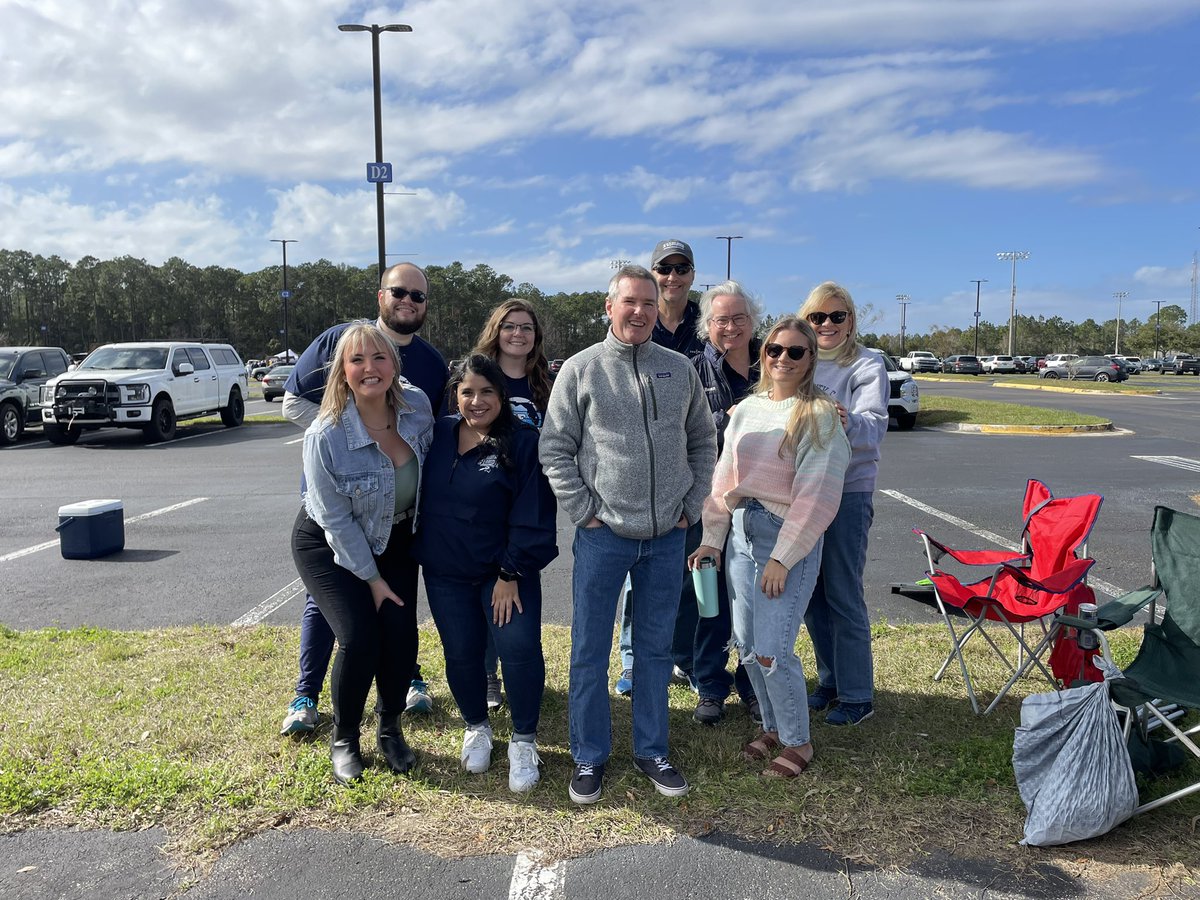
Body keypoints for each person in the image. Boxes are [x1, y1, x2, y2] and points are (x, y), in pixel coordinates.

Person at [540, 264, 716, 804]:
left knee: (656, 651)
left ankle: (651, 749)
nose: (638, 311)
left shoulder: (678, 369)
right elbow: (555, 448)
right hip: (604, 535)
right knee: (590, 650)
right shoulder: (581, 369)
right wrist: (584, 510)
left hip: (667, 536)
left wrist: (690, 506)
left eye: (647, 301)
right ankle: (589, 756)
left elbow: (703, 442)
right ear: (609, 307)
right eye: (628, 301)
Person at [279, 262, 448, 735]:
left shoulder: (430, 366)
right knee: (335, 609)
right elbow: (293, 403)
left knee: (397, 618)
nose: (408, 301)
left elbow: (431, 434)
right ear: (381, 296)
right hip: (339, 508)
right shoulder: (341, 341)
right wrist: (351, 424)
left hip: (395, 516)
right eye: (399, 292)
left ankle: (403, 690)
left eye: (417, 296)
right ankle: (307, 693)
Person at [690, 316, 849, 778]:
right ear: (764, 355)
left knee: (772, 648)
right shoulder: (746, 410)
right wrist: (712, 541)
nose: (783, 358)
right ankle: (775, 726)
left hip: (784, 539)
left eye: (796, 351)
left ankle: (799, 741)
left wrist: (784, 555)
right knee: (744, 643)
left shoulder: (819, 413)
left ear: (810, 359)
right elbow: (724, 481)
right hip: (740, 532)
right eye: (775, 350)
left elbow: (819, 493)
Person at [290, 323, 434, 783]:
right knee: (358, 637)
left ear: (395, 365)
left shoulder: (418, 411)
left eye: (379, 358)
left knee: (400, 636)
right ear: (343, 372)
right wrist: (371, 579)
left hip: (394, 536)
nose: (369, 368)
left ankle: (390, 729)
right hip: (329, 543)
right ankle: (345, 738)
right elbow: (334, 519)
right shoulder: (325, 434)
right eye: (357, 361)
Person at [413, 355, 558, 792]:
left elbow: (533, 512)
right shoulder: (437, 434)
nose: (477, 401)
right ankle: (476, 726)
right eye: (467, 392)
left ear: (502, 395)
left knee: (517, 649)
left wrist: (510, 572)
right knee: (460, 653)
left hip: (504, 576)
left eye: (487, 392)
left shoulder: (522, 442)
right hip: (445, 573)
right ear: (455, 395)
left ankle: (524, 739)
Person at [614, 238, 704, 697]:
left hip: (694, 475)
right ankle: (632, 660)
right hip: (637, 487)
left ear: (691, 274)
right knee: (636, 584)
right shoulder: (637, 328)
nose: (672, 276)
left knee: (688, 580)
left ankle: (683, 659)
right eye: (663, 269)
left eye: (681, 268)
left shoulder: (706, 326)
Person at [798, 282, 889, 726]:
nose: (828, 325)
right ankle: (830, 681)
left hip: (848, 491)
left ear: (851, 320)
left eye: (837, 316)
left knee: (843, 592)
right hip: (804, 493)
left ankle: (857, 695)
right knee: (812, 594)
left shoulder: (868, 364)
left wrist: (846, 419)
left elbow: (873, 426)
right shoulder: (801, 361)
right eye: (818, 318)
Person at [467, 299, 554, 710]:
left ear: (536, 337)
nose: (518, 334)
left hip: (530, 504)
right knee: (482, 593)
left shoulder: (545, 385)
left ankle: (519, 664)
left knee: (518, 588)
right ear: (496, 331)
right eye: (509, 326)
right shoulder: (481, 377)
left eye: (527, 328)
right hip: (486, 502)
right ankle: (487, 675)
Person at [683, 281, 763, 725]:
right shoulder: (692, 370)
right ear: (706, 327)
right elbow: (684, 429)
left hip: (762, 504)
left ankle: (752, 684)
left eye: (738, 318)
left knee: (752, 601)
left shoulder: (771, 365)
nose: (729, 327)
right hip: (709, 500)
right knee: (708, 598)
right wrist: (729, 419)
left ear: (752, 322)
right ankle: (710, 685)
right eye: (720, 320)